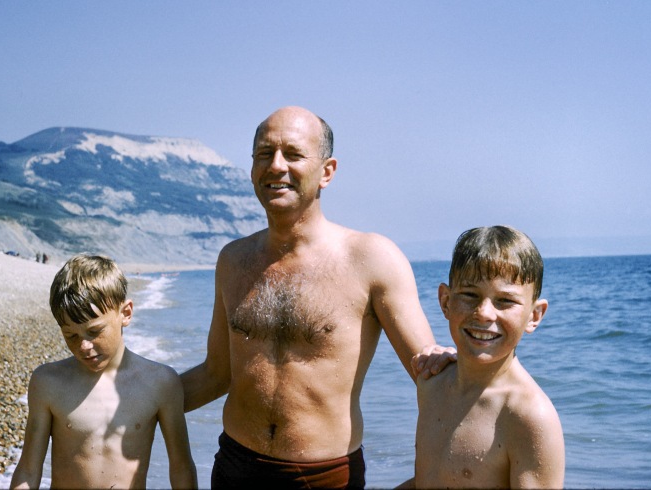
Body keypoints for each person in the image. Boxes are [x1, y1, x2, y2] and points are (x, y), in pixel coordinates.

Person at [180, 106, 454, 488]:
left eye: (293, 154)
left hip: (324, 477)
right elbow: (217, 373)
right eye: (264, 153)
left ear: (327, 171)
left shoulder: (371, 258)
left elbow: (429, 373)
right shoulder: (233, 260)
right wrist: (132, 397)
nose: (276, 166)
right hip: (234, 467)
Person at [10, 254, 197, 489]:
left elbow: (181, 468)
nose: (84, 346)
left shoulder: (161, 382)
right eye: (71, 336)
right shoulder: (48, 382)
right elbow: (28, 469)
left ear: (126, 314)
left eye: (95, 331)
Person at [413, 226, 565, 489]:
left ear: (534, 316)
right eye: (470, 295)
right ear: (445, 301)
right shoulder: (432, 384)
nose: (484, 313)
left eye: (505, 301)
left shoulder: (528, 415)